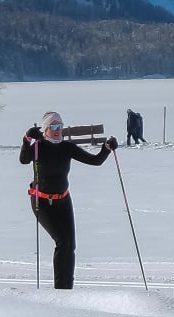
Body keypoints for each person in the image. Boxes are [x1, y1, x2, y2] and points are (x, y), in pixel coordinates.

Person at [21, 110, 115, 290]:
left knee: (70, 245)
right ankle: (61, 291)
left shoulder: (67, 148)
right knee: (62, 241)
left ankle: (67, 289)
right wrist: (27, 139)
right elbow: (24, 160)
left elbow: (95, 161)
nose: (57, 130)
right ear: (46, 129)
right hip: (42, 202)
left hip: (63, 201)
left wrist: (107, 148)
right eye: (53, 127)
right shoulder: (39, 146)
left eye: (60, 126)